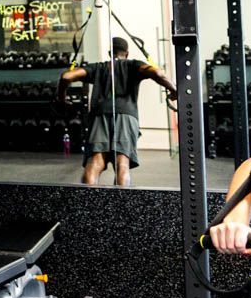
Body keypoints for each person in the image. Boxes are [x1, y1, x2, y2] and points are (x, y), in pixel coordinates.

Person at [58, 36, 177, 187]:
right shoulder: (133, 65)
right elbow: (159, 74)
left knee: (96, 162)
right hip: (126, 117)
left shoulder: (99, 67)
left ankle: (86, 204)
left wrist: (62, 99)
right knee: (122, 164)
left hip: (99, 117)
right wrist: (174, 91)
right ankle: (120, 206)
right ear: (126, 53)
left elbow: (66, 76)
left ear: (110, 52)